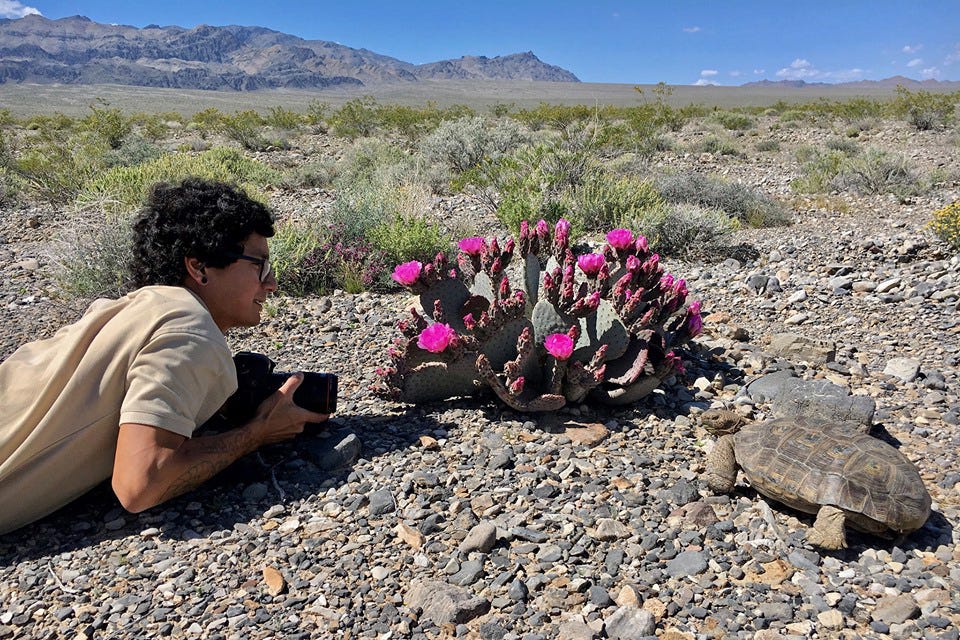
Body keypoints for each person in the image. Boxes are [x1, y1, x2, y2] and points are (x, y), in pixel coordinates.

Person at [0, 177, 329, 535]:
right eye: (259, 265)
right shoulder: (189, 329)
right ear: (199, 267)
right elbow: (140, 484)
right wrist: (258, 432)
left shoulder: (137, 306)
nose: (272, 282)